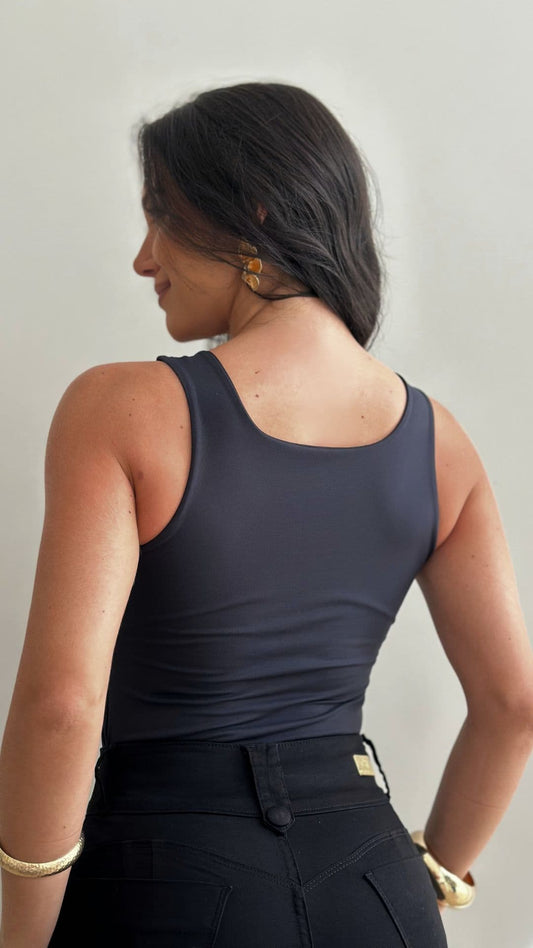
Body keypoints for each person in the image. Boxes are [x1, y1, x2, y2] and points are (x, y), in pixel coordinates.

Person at [1, 81, 533, 948]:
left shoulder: (120, 409)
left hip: (168, 878)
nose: (143, 258)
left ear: (249, 215)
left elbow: (62, 705)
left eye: (160, 216)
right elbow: (513, 704)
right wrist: (430, 878)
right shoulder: (441, 443)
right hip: (373, 883)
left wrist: (22, 934)